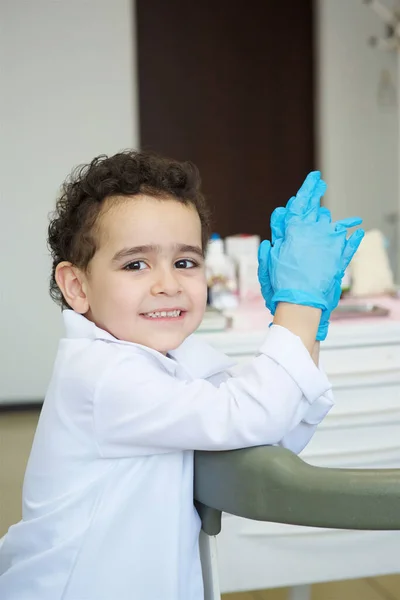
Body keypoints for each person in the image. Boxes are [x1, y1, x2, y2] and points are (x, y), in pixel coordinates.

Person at [0, 151, 364, 600]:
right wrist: (298, 308)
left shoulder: (176, 354)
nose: (167, 284)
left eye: (185, 262)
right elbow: (250, 415)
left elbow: (267, 431)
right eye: (136, 264)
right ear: (77, 286)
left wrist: (308, 330)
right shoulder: (100, 375)